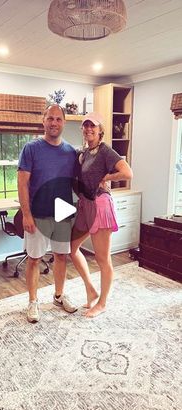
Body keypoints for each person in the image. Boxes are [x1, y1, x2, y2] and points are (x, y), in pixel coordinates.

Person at [18, 104, 78, 323]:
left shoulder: (71, 152)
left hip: (62, 214)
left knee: (61, 256)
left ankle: (59, 296)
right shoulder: (31, 148)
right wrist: (26, 215)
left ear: (64, 122)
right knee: (34, 259)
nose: (54, 123)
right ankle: (33, 302)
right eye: (50, 118)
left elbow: (80, 179)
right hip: (38, 213)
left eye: (58, 119)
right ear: (43, 121)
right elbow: (22, 183)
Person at [71, 112, 133, 318]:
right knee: (72, 248)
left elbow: (127, 173)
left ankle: (102, 303)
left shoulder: (106, 151)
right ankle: (91, 289)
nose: (89, 129)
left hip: (101, 205)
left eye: (93, 126)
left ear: (100, 131)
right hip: (86, 205)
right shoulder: (85, 153)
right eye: (86, 126)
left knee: (102, 258)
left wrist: (107, 176)